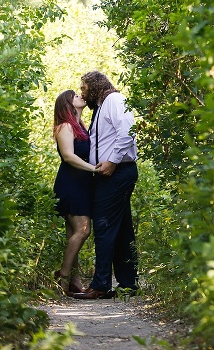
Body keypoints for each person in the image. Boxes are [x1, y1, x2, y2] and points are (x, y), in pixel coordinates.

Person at [73, 71, 139, 299]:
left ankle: (100, 285)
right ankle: (129, 283)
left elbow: (128, 133)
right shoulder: (101, 107)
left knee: (103, 226)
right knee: (121, 228)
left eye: (84, 89)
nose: (83, 93)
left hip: (116, 172)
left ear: (95, 87)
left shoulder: (114, 101)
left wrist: (112, 161)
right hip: (109, 173)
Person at [52, 89, 98, 296]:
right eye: (75, 96)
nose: (80, 96)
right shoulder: (65, 126)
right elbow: (68, 156)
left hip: (82, 183)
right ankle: (62, 276)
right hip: (71, 183)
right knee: (83, 230)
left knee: (73, 234)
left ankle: (74, 282)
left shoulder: (80, 126)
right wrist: (94, 169)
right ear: (67, 104)